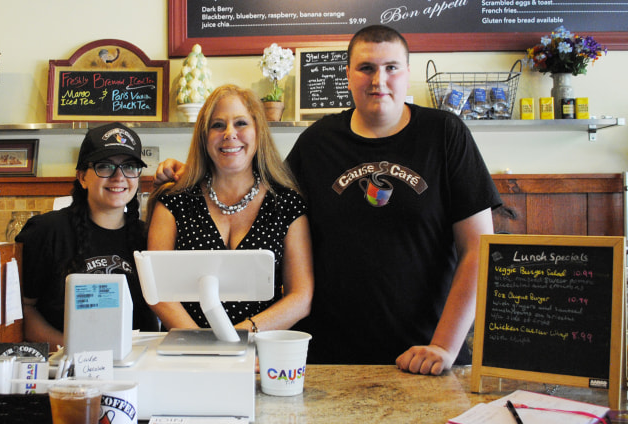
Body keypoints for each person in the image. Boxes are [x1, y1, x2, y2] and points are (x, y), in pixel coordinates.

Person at [155, 25, 501, 375]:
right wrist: (196, 173)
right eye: (366, 68)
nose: (379, 80)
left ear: (407, 73)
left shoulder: (445, 134)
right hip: (329, 358)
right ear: (348, 75)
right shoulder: (317, 142)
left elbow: (479, 249)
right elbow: (261, 187)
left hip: (423, 353)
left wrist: (443, 345)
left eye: (391, 67)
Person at [147, 84, 314, 333]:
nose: (229, 133)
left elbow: (300, 298)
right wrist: (202, 345)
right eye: (217, 125)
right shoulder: (174, 201)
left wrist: (240, 337)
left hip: (261, 351)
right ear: (203, 137)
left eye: (241, 123)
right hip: (187, 351)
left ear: (259, 132)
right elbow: (157, 288)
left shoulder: (286, 204)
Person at [17, 122, 160, 351]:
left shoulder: (149, 237)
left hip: (138, 363)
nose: (118, 177)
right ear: (82, 177)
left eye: (130, 166)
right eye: (105, 166)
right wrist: (76, 350)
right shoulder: (47, 231)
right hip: (68, 368)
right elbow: (23, 310)